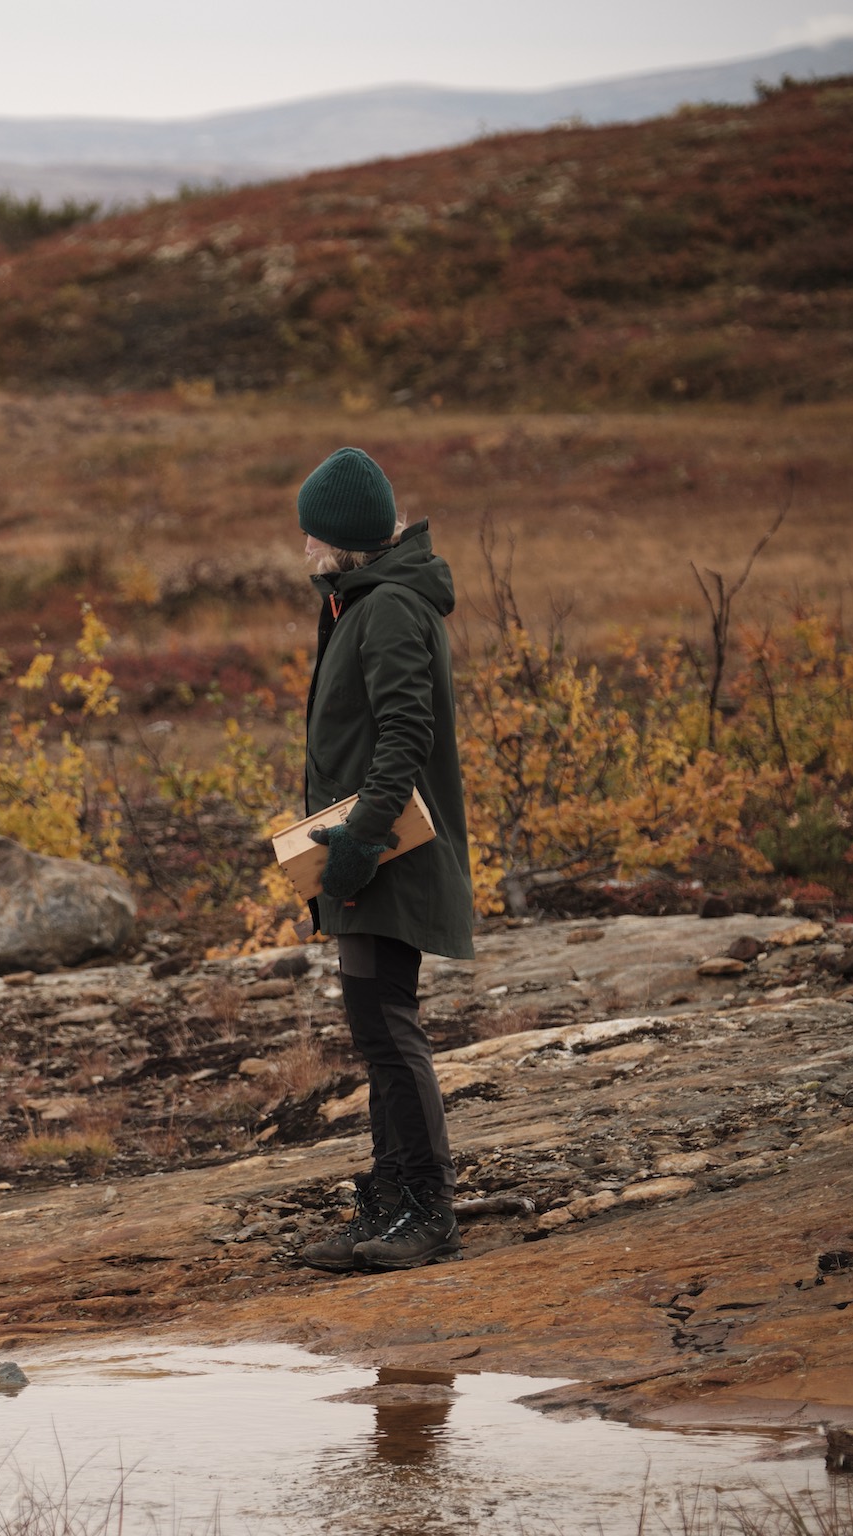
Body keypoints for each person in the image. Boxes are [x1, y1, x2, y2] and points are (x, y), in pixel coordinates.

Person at [286, 447, 477, 1274]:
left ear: (345, 539)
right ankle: (393, 1197)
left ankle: (425, 1207)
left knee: (389, 1028)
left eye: (311, 533)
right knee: (375, 1025)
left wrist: (360, 842)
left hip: (387, 852)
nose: (302, 546)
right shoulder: (359, 600)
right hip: (366, 849)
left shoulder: (390, 607)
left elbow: (407, 734)